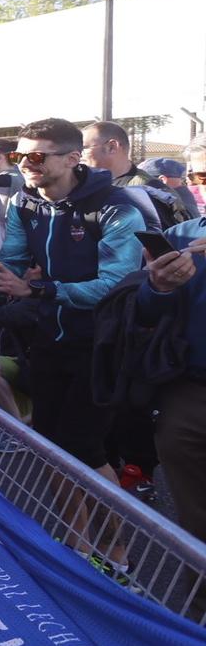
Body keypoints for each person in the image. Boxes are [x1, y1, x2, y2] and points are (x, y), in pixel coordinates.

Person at [0, 118, 145, 482]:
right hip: (50, 337)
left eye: (37, 157)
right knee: (48, 445)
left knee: (83, 450)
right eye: (19, 155)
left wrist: (39, 290)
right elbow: (16, 261)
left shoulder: (115, 206)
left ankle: (112, 541)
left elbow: (114, 286)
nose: (25, 164)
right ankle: (74, 539)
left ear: (72, 159)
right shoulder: (25, 202)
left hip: (105, 344)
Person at [137, 135, 206, 539]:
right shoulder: (181, 235)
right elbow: (146, 315)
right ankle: (198, 604)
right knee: (194, 527)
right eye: (200, 175)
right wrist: (158, 286)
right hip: (188, 395)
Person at [83, 120, 182, 229]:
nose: (79, 155)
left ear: (112, 147)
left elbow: (167, 240)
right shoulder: (90, 187)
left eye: (83, 148)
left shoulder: (149, 190)